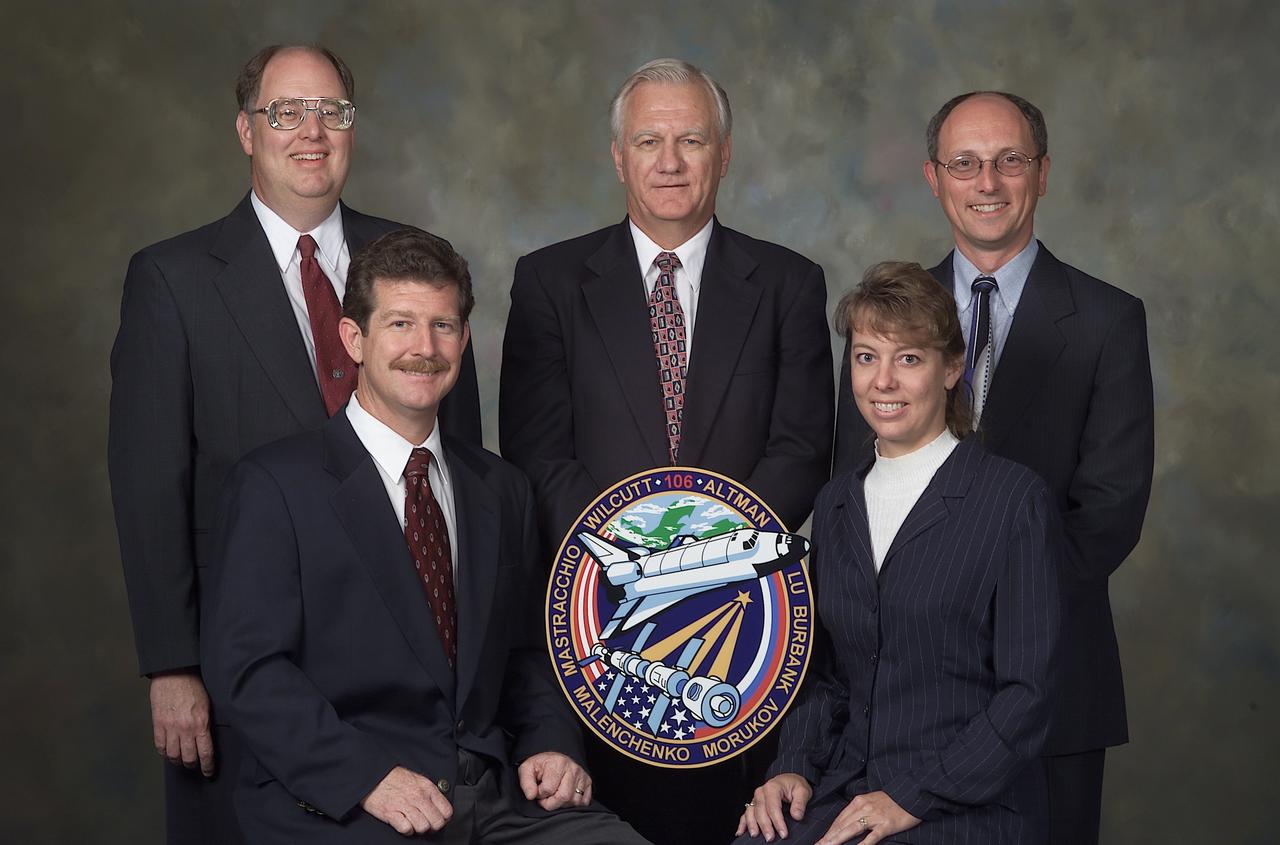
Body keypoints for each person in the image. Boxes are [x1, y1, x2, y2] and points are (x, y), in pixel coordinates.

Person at [107, 44, 480, 842]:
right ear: (247, 131)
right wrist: (172, 663)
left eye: (332, 112)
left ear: (352, 129)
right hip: (246, 665)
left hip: (413, 666)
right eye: (287, 112)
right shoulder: (173, 280)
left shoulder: (421, 268)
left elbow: (464, 478)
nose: (312, 131)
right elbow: (149, 481)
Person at [201, 229, 649, 844]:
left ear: (463, 341)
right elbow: (248, 672)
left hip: (496, 799)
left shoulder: (501, 488)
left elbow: (527, 652)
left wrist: (551, 743)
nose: (424, 348)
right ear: (354, 338)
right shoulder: (275, 486)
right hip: (349, 805)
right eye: (401, 324)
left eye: (443, 326)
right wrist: (368, 777)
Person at [499, 58, 833, 843]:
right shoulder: (548, 283)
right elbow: (537, 454)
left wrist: (706, 563)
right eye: (649, 140)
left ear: (724, 152)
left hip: (746, 627)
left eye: (692, 139)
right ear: (619, 156)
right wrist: (641, 556)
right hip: (594, 625)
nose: (670, 161)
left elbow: (802, 447)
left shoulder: (790, 283)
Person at [833, 92, 1155, 843]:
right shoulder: (879, 324)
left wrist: (996, 613)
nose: (988, 183)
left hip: (1054, 696)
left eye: (1009, 161)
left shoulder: (1108, 321)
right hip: (900, 701)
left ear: (1042, 173)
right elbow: (853, 485)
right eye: (966, 164)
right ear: (933, 177)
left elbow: (1109, 511)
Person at [739, 261, 1061, 845]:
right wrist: (791, 766)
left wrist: (911, 799)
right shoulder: (836, 503)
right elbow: (828, 674)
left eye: (908, 358)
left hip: (965, 803)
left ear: (951, 368)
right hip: (846, 786)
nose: (882, 381)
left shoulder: (1014, 500)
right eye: (866, 357)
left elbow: (1028, 696)